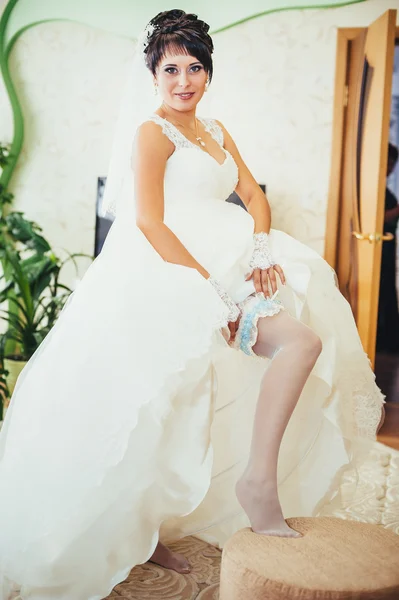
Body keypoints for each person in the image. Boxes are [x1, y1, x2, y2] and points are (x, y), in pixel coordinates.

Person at [0, 9, 384, 600]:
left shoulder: (220, 130)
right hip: (165, 271)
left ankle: (256, 482)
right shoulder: (152, 133)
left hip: (233, 257)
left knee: (301, 342)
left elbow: (254, 194)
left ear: (209, 72)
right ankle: (142, 528)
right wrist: (211, 290)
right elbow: (149, 220)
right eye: (172, 68)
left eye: (195, 67)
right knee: (156, 406)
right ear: (153, 74)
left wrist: (260, 247)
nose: (185, 80)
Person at [377, 143, 399, 353]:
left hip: (387, 245)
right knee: (381, 291)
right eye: (389, 162)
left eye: (393, 163)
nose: (391, 167)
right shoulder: (373, 190)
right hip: (377, 246)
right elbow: (377, 219)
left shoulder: (385, 189)